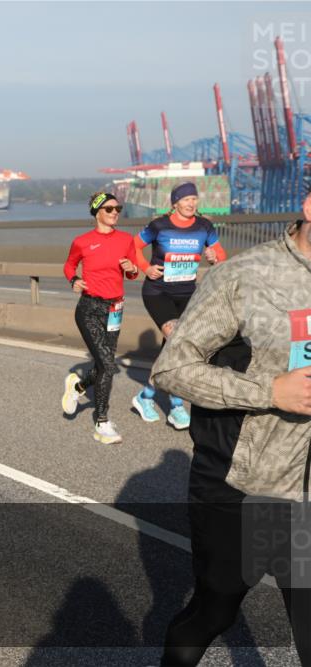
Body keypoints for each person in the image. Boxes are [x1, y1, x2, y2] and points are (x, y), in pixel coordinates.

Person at [152, 192, 311, 666]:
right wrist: (270, 392)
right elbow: (171, 370)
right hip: (248, 487)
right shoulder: (243, 276)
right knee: (214, 611)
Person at [130, 182, 227, 431]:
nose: (191, 203)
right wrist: (146, 268)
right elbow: (133, 246)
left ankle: (146, 396)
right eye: (186, 200)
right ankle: (176, 406)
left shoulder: (204, 226)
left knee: (174, 349)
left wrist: (215, 257)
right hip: (158, 292)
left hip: (187, 295)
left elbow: (220, 253)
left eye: (195, 199)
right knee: (176, 340)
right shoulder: (159, 225)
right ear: (175, 203)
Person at [60, 193, 140, 444]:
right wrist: (74, 280)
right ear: (97, 213)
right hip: (89, 308)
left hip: (115, 309)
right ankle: (102, 422)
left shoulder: (126, 240)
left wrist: (132, 269)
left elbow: (133, 273)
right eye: (109, 209)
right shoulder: (82, 242)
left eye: (118, 208)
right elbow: (69, 266)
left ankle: (77, 388)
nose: (115, 212)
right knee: (108, 365)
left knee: (102, 364)